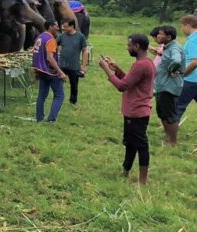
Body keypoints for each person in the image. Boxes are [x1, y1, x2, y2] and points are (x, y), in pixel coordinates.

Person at [98, 34, 155, 185]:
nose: (127, 48)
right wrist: (117, 70)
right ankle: (125, 171)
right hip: (134, 111)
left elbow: (122, 86)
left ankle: (143, 180)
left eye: (129, 45)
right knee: (130, 144)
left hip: (137, 112)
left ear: (137, 46)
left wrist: (107, 71)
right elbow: (130, 81)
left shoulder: (141, 65)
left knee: (141, 145)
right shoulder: (146, 62)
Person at [153, 26, 184, 146]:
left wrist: (172, 69)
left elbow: (176, 60)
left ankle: (173, 142)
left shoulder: (175, 48)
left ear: (169, 37)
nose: (158, 36)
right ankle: (167, 137)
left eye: (161, 34)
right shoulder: (167, 47)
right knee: (162, 113)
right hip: (162, 85)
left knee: (170, 115)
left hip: (169, 87)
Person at [32, 20, 68, 122]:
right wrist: (60, 72)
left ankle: (39, 118)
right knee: (59, 95)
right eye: (56, 26)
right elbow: (50, 58)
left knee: (42, 95)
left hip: (40, 70)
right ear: (50, 27)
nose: (58, 28)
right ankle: (51, 119)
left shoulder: (40, 37)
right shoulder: (50, 40)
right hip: (50, 71)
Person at [57, 19, 88, 106]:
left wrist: (83, 66)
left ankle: (73, 102)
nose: (64, 28)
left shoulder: (80, 37)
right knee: (58, 83)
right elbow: (54, 44)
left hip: (74, 66)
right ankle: (58, 99)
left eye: (66, 26)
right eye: (63, 26)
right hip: (62, 65)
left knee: (74, 85)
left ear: (72, 26)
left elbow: (85, 51)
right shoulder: (61, 36)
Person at [175, 15, 197, 123]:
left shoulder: (193, 40)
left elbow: (194, 62)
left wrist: (182, 74)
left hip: (191, 79)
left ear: (188, 25)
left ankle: (170, 135)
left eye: (182, 26)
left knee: (178, 106)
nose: (182, 29)